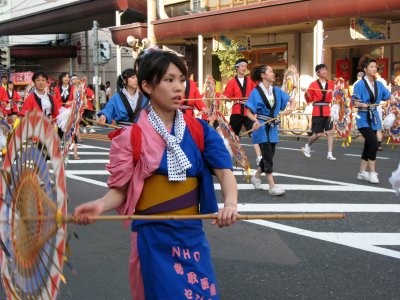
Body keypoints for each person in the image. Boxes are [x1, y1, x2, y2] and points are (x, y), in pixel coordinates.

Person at [74, 50, 237, 299]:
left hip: (191, 235)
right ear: (147, 86)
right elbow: (120, 190)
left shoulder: (199, 130)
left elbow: (225, 172)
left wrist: (231, 204)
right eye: (168, 80)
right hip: (152, 238)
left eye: (182, 80)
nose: (178, 88)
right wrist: (99, 205)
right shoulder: (131, 137)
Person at [245, 65, 294, 196]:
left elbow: (291, 99)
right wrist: (254, 121)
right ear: (263, 75)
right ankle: (272, 186)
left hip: (272, 126)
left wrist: (291, 107)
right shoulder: (256, 92)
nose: (273, 73)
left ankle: (255, 177)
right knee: (267, 154)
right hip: (261, 126)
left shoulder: (276, 90)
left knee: (270, 153)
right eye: (270, 71)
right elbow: (248, 111)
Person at [352, 54, 397, 184]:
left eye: (375, 67)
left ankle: (361, 172)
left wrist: (392, 98)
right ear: (365, 69)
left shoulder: (379, 84)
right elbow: (354, 101)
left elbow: (387, 95)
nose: (374, 69)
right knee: (373, 143)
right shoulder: (359, 84)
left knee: (368, 145)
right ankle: (372, 172)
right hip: (363, 117)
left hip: (374, 118)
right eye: (371, 66)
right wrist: (361, 104)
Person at [221, 58, 261, 163]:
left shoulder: (250, 81)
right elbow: (227, 95)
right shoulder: (232, 82)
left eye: (245, 66)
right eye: (242, 66)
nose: (244, 68)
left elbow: (255, 93)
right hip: (237, 111)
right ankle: (228, 156)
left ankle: (259, 157)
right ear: (237, 67)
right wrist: (224, 97)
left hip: (248, 111)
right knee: (231, 136)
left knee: (254, 133)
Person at [301, 64, 336, 160]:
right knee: (318, 134)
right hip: (317, 110)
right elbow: (310, 99)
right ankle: (308, 145)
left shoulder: (331, 83)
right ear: (318, 73)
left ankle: (330, 153)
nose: (325, 71)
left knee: (330, 132)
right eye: (322, 70)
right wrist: (306, 91)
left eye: (325, 69)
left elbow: (337, 94)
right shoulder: (313, 85)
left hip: (328, 110)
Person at [375, 71, 390, 151]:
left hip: (374, 105)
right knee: (378, 126)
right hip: (380, 105)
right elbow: (387, 94)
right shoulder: (383, 81)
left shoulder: (377, 82)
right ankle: (379, 145)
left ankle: (373, 144)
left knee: (372, 126)